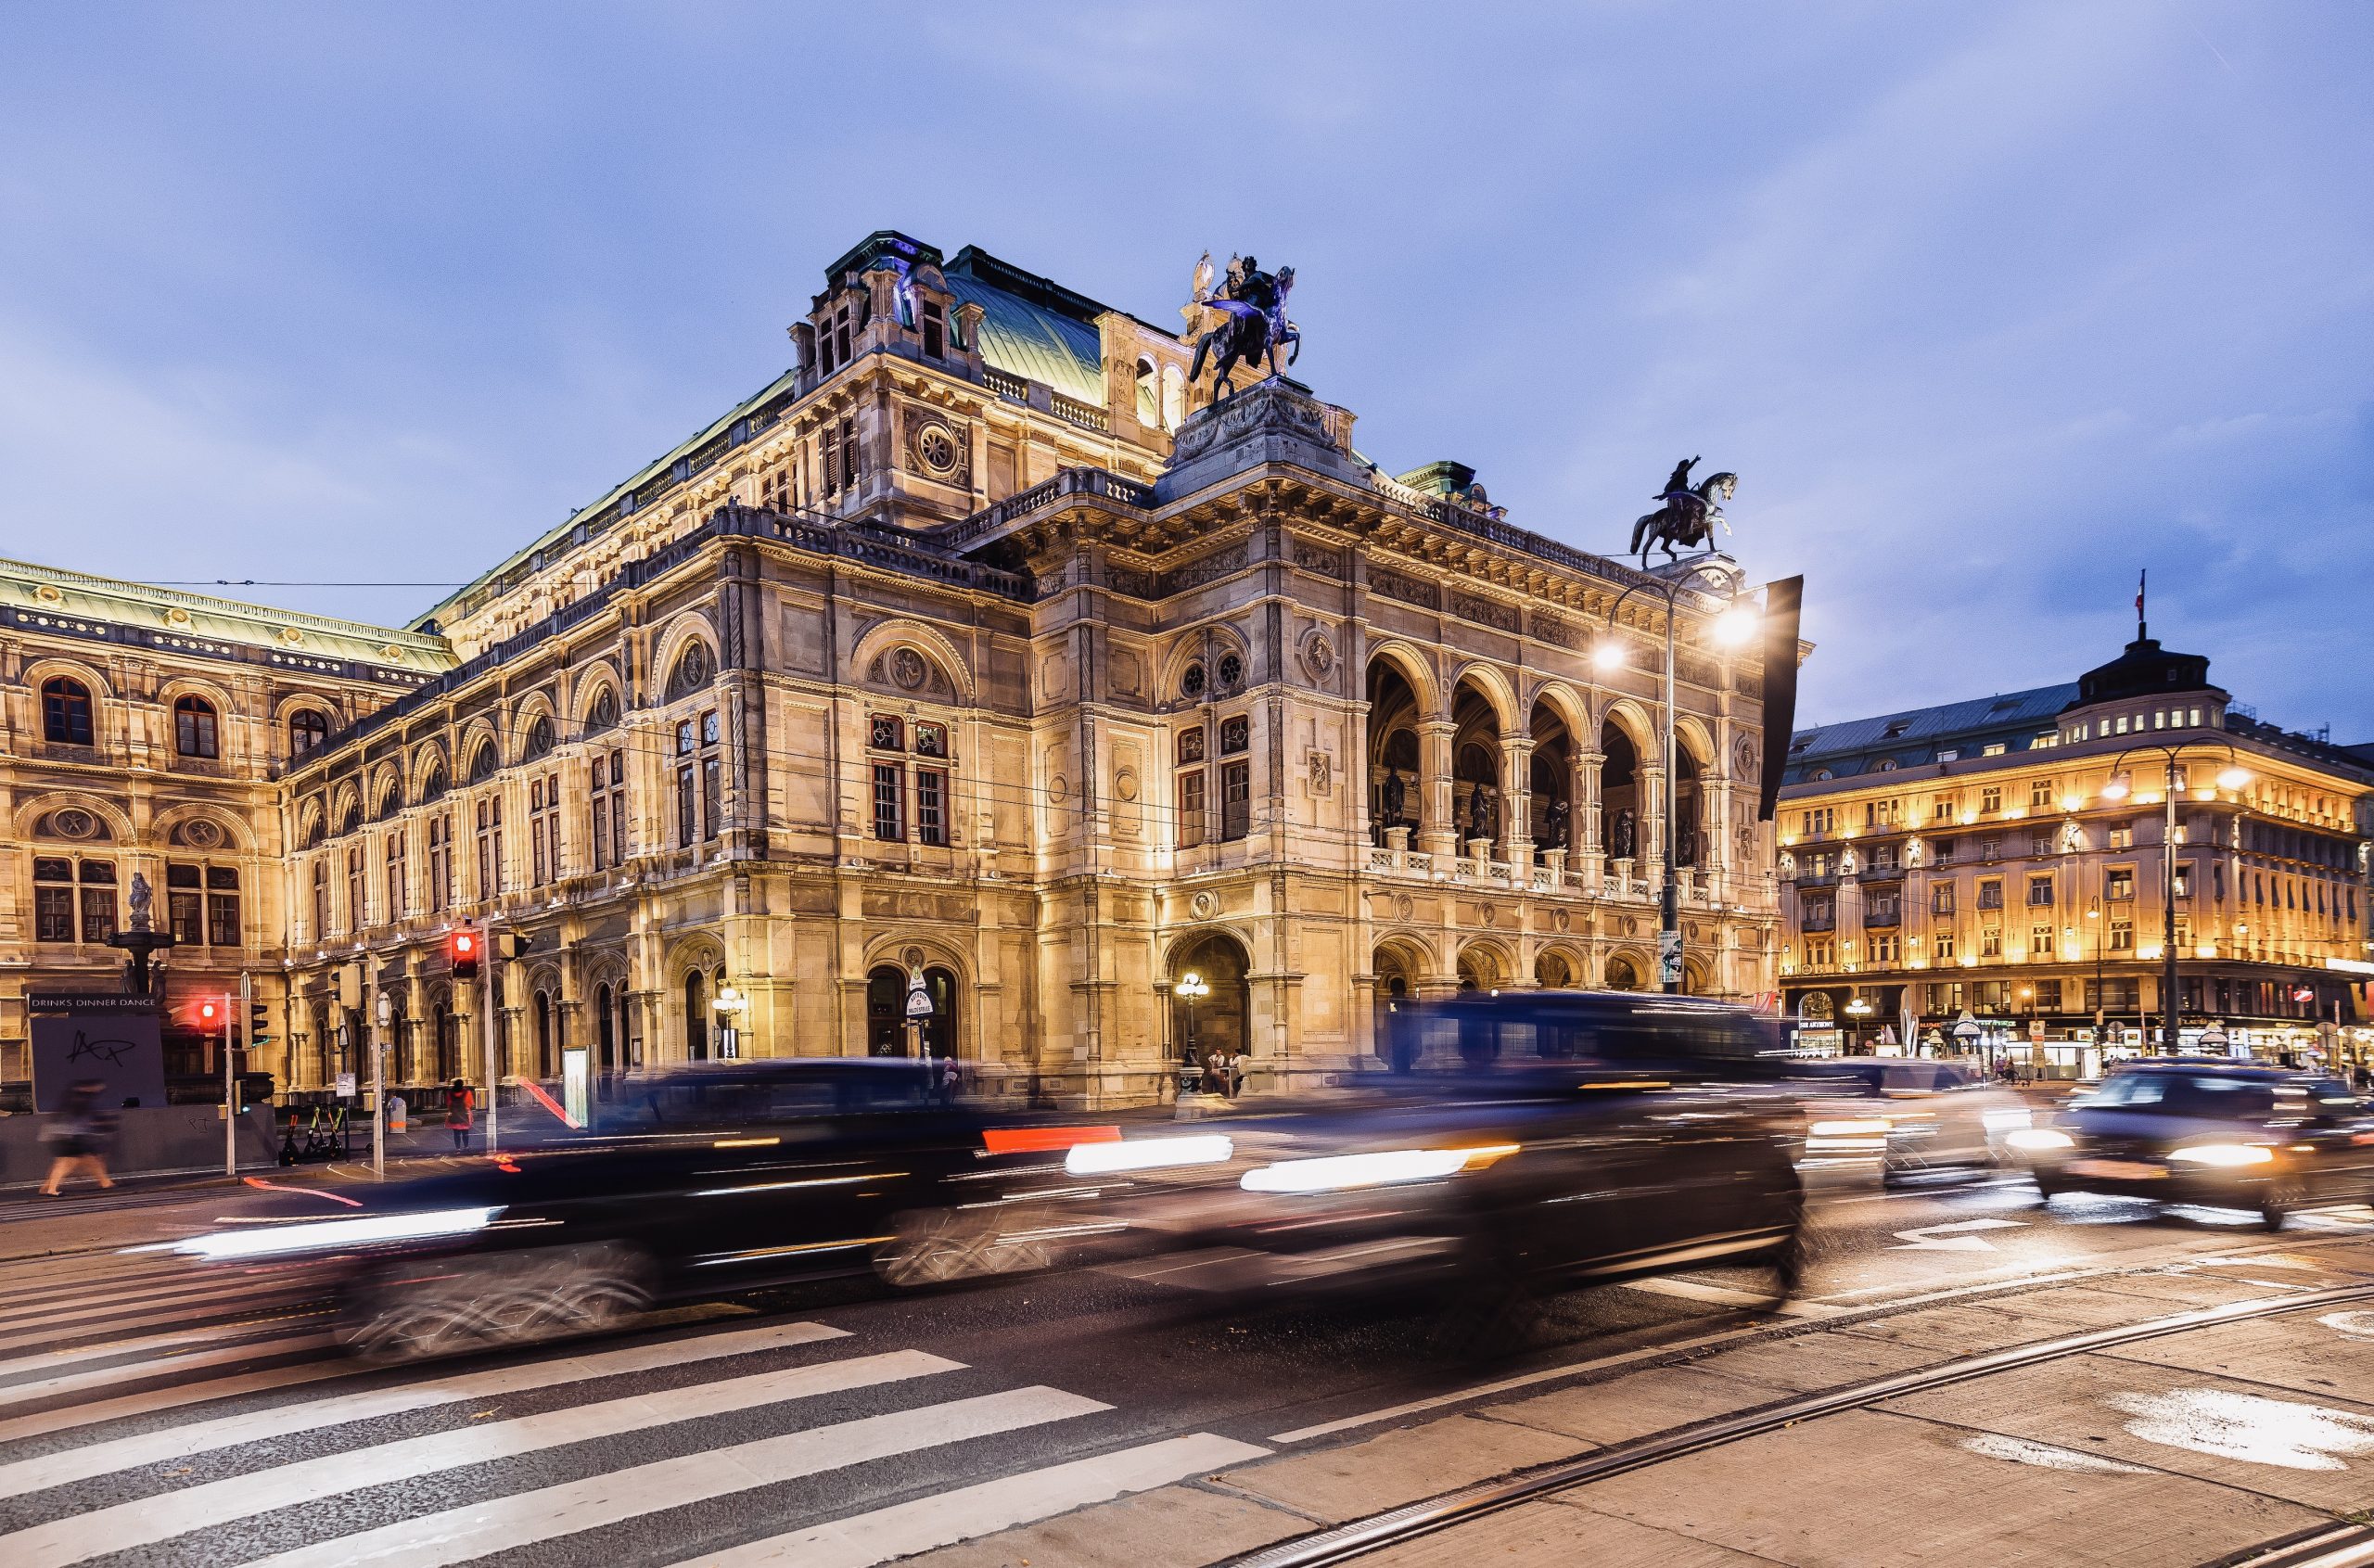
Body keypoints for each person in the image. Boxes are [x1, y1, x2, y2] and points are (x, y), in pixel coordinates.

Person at [38, 1079, 116, 1196]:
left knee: (89, 1160)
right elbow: (88, 1118)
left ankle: (105, 1182)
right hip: (66, 1136)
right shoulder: (77, 1100)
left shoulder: (75, 1100)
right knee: (68, 1163)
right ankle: (51, 1189)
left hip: (63, 1136)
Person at [444, 1077, 475, 1151]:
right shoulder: (467, 1092)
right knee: (465, 1132)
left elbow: (448, 1104)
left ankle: (458, 1148)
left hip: (454, 1115)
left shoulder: (450, 1093)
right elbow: (470, 1104)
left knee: (456, 1133)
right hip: (464, 1115)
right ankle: (466, 1146)